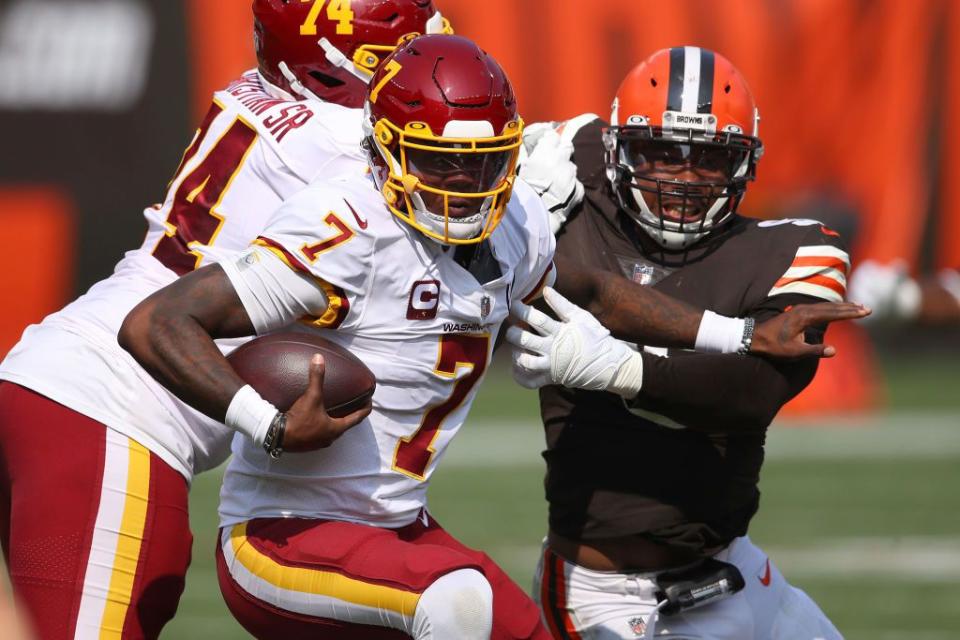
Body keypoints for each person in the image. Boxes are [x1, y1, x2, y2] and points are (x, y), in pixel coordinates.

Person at [118, 35, 867, 640]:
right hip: (281, 536)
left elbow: (602, 293)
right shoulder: (345, 232)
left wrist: (737, 335)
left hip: (397, 531)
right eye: (442, 160)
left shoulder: (513, 223)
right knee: (460, 600)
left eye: (483, 162)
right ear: (383, 151)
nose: (463, 183)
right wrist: (267, 421)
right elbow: (156, 322)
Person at [0, 1, 452, 637]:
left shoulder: (261, 93)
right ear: (348, 57)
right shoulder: (345, 152)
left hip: (51, 383)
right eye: (410, 35)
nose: (433, 41)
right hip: (112, 413)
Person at [510, 46, 847, 639]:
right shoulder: (569, 202)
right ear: (619, 153)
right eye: (661, 154)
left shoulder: (790, 250)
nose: (683, 179)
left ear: (744, 166)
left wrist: (624, 369)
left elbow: (750, 393)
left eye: (710, 160)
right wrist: (512, 182)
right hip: (607, 597)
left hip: (734, 567)